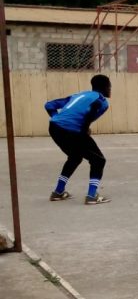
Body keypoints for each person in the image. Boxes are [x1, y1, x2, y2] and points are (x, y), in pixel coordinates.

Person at [44, 75, 113, 205]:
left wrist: (57, 119)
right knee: (98, 160)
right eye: (109, 86)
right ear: (105, 87)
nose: (110, 89)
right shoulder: (101, 101)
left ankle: (58, 192)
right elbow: (90, 113)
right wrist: (85, 129)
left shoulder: (78, 95)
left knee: (75, 157)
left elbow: (49, 105)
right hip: (71, 130)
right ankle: (92, 196)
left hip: (54, 127)